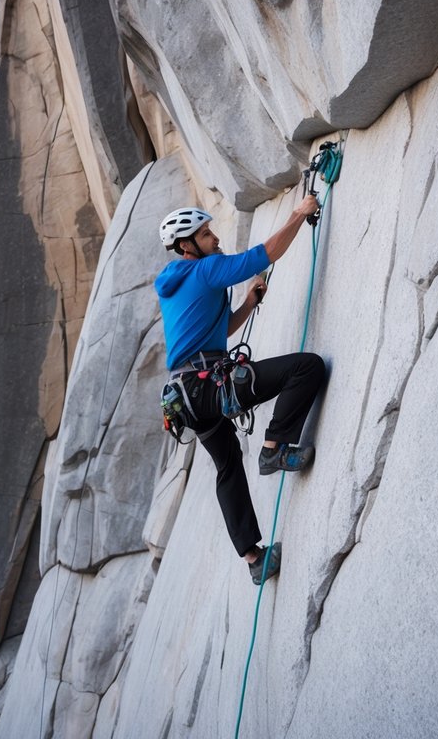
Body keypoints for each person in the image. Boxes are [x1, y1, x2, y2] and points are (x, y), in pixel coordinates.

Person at [155, 196, 326, 585]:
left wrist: (249, 302)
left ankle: (254, 560)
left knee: (227, 463)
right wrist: (299, 214)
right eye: (205, 234)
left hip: (186, 398)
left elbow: (220, 333)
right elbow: (263, 254)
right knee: (306, 367)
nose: (214, 238)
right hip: (206, 386)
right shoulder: (204, 270)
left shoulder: (175, 282)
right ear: (187, 246)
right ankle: (275, 449)